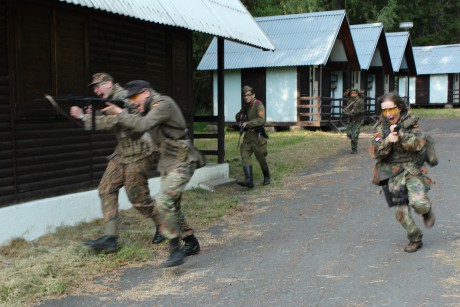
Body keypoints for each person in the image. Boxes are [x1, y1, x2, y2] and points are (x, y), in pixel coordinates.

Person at [102, 80, 202, 267]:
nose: (132, 102)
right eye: (129, 98)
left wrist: (120, 113)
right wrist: (117, 119)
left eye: (135, 97)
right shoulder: (146, 110)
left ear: (146, 93)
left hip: (182, 159)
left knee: (164, 200)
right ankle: (190, 242)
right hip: (168, 160)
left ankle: (175, 248)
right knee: (173, 206)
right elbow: (135, 134)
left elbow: (143, 125)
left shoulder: (162, 104)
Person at [69, 73, 165, 253]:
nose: (96, 90)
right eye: (94, 88)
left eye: (99, 86)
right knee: (106, 189)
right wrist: (94, 115)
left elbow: (115, 121)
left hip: (140, 151)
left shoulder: (124, 97)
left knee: (137, 197)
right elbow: (112, 123)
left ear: (110, 83)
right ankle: (110, 238)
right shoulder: (112, 99)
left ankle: (163, 225)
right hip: (122, 151)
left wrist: (83, 117)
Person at [369, 91, 437, 253]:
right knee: (400, 211)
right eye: (384, 111)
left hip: (413, 169)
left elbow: (418, 145)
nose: (388, 114)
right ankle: (415, 237)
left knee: (418, 203)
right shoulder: (380, 128)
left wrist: (401, 135)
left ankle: (426, 212)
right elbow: (374, 152)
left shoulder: (410, 123)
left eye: (391, 109)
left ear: (399, 107)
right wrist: (387, 141)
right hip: (392, 173)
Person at [235, 85, 270, 188]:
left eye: (248, 95)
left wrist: (248, 123)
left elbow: (261, 120)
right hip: (248, 136)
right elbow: (238, 115)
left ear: (253, 95)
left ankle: (267, 176)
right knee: (244, 153)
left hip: (257, 135)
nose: (246, 97)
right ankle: (249, 180)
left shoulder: (259, 105)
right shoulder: (246, 106)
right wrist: (240, 116)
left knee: (260, 158)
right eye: (245, 95)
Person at [343, 88, 365, 154]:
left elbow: (362, 111)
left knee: (354, 135)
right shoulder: (349, 101)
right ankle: (354, 141)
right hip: (350, 120)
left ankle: (354, 149)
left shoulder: (360, 101)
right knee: (349, 133)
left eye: (355, 93)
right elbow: (347, 110)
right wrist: (348, 112)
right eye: (352, 93)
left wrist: (355, 111)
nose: (353, 95)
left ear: (357, 93)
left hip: (358, 120)